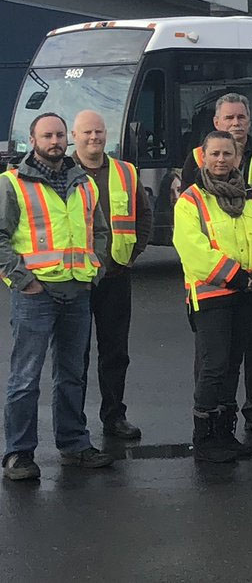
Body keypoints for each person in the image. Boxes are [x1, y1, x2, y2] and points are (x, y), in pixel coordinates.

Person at [1, 113, 114, 481]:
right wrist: (23, 280)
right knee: (25, 378)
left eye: (60, 135)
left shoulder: (83, 183)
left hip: (76, 289)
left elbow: (99, 229)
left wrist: (94, 267)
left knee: (71, 375)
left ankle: (74, 445)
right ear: (32, 140)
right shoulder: (12, 183)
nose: (55, 141)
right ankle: (19, 453)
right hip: (35, 293)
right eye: (47, 135)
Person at [174, 130, 252, 463]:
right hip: (212, 296)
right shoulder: (190, 199)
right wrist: (237, 277)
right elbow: (193, 249)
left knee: (233, 366)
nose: (221, 160)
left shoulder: (251, 196)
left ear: (238, 158)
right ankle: (205, 438)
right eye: (215, 154)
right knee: (214, 367)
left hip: (248, 292)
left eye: (228, 154)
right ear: (203, 157)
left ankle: (226, 434)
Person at [71, 110, 153, 440]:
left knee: (115, 352)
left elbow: (143, 215)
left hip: (116, 277)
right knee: (75, 356)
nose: (95, 137)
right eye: (88, 132)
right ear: (74, 137)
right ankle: (73, 423)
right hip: (75, 279)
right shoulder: (62, 174)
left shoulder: (125, 172)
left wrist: (132, 255)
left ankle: (114, 416)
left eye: (100, 132)